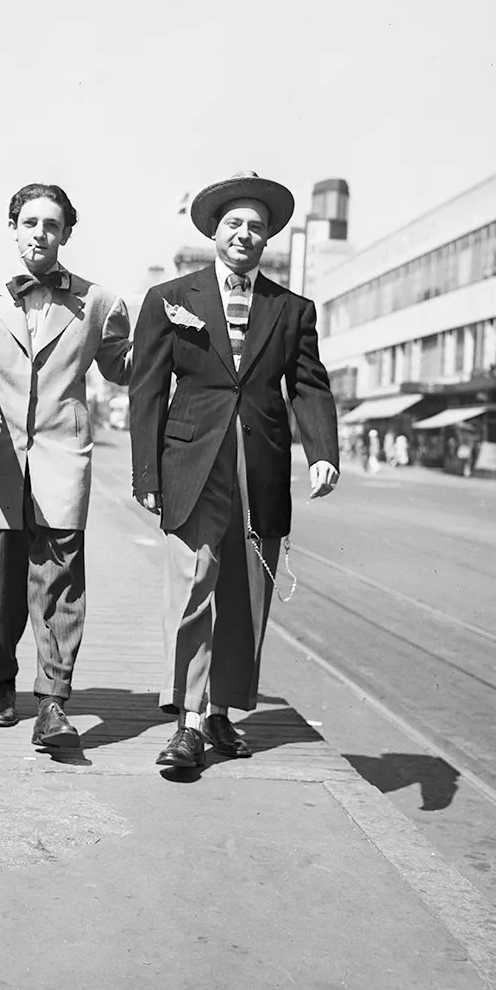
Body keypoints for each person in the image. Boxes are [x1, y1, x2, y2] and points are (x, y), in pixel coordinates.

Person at [129, 171, 339, 769]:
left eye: (257, 227)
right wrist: (147, 474)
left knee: (247, 592)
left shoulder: (291, 309)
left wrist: (321, 451)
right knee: (194, 587)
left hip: (262, 464)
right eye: (234, 225)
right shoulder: (171, 298)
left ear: (269, 238)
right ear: (214, 233)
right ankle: (188, 721)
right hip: (192, 464)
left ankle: (221, 712)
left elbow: (308, 385)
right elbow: (146, 391)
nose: (245, 235)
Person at [0, 183, 132, 749]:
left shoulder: (98, 303)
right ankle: (3, 682)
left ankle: (53, 700)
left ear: (67, 234)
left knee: (60, 579)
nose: (40, 234)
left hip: (63, 455)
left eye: (52, 225)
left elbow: (122, 365)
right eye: (30, 223)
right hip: (0, 456)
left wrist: (167, 339)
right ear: (12, 228)